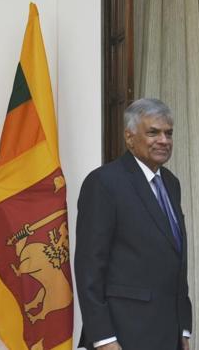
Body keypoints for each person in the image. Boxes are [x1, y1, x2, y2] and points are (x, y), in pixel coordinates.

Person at [75, 98, 192, 350]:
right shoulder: (104, 182)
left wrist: (183, 325)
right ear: (129, 138)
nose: (163, 140)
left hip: (167, 334)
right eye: (153, 132)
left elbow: (175, 259)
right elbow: (89, 268)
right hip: (122, 334)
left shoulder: (171, 183)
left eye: (168, 133)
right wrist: (103, 337)